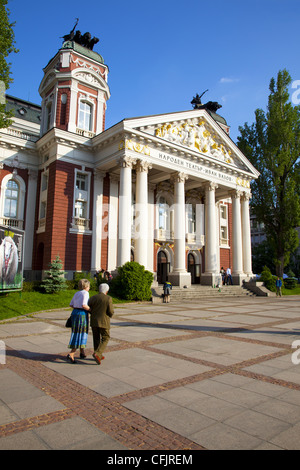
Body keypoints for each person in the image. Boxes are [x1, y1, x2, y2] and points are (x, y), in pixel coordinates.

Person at [88, 283, 114, 365]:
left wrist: (92, 312)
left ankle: (99, 354)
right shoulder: (108, 298)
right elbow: (110, 311)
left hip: (94, 321)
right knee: (106, 337)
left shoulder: (93, 298)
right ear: (107, 290)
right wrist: (111, 315)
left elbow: (89, 307)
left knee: (96, 338)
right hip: (104, 321)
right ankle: (97, 353)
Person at [67, 279, 91, 364]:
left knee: (77, 332)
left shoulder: (77, 293)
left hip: (74, 313)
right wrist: (91, 310)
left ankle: (82, 352)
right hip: (82, 314)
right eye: (88, 286)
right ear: (86, 286)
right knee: (81, 332)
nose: (89, 288)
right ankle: (72, 353)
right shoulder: (85, 293)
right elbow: (84, 305)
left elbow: (71, 304)